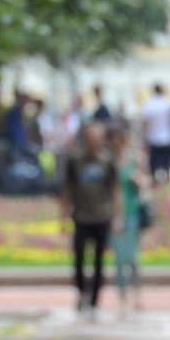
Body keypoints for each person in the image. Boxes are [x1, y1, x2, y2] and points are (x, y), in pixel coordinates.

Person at [61, 122, 119, 317]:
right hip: (82, 217)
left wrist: (118, 216)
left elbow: (115, 189)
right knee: (78, 260)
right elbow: (68, 189)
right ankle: (81, 292)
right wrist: (63, 216)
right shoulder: (76, 160)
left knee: (98, 262)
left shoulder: (108, 161)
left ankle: (94, 300)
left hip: (102, 217)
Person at [108, 125, 146, 313]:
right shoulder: (108, 161)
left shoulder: (134, 160)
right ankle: (122, 296)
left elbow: (144, 186)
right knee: (119, 258)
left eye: (120, 140)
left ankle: (137, 294)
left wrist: (138, 180)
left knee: (132, 257)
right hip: (114, 215)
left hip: (131, 213)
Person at [142, 84, 170, 185]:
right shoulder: (168, 103)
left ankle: (155, 181)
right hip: (167, 136)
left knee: (155, 162)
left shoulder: (149, 105)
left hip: (154, 137)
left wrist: (145, 136)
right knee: (167, 162)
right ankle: (168, 179)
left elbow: (146, 123)